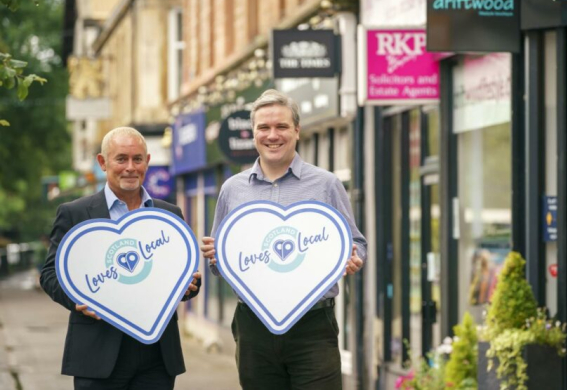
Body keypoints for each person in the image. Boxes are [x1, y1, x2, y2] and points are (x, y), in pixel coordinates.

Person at [200, 89, 367, 390]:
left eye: (281, 127)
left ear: (297, 131)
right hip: (254, 327)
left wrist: (354, 259)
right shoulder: (232, 189)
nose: (272, 135)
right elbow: (219, 265)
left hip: (313, 326)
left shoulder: (326, 184)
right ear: (253, 133)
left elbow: (357, 243)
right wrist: (216, 255)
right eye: (264, 127)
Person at [40, 127, 201, 390]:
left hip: (157, 355)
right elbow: (49, 274)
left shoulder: (169, 214)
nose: (130, 167)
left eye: (137, 159)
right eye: (121, 159)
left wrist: (190, 287)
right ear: (103, 163)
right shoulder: (75, 213)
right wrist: (76, 299)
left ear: (147, 162)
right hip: (98, 352)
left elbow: (181, 274)